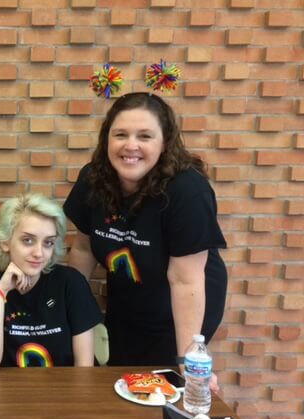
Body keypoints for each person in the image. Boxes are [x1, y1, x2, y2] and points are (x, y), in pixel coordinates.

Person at [63, 92, 227, 372]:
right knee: (122, 377)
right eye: (120, 135)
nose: (131, 145)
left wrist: (186, 358)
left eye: (145, 136)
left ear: (164, 143)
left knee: (164, 381)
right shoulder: (93, 179)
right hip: (128, 296)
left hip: (182, 303)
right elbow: (83, 248)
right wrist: (67, 309)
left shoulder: (188, 191)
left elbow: (185, 281)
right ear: (106, 139)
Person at [0, 193, 102, 374]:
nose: (39, 253)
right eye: (28, 240)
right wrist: (0, 292)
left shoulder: (70, 283)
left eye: (48, 242)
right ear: (5, 243)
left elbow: (84, 368)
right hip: (12, 389)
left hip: (67, 388)